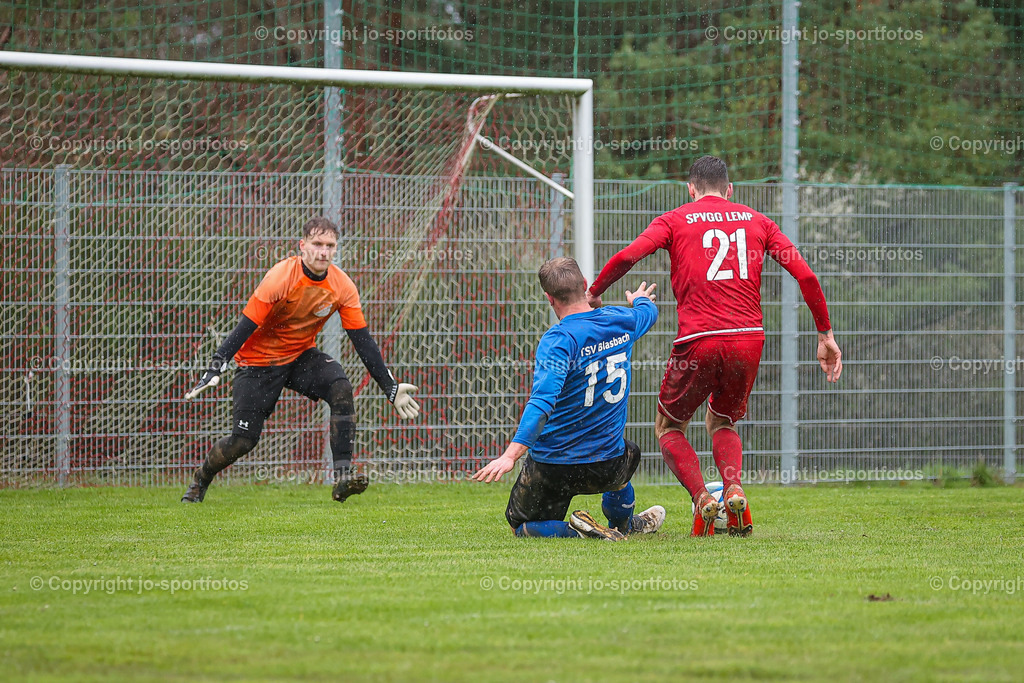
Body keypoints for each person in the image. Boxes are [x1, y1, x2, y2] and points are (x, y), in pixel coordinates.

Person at [586, 156, 843, 537]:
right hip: (748, 339)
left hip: (698, 341)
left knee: (669, 427)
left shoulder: (674, 219)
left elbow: (627, 256)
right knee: (722, 420)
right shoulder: (759, 221)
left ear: (691, 189)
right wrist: (825, 334)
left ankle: (703, 498)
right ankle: (734, 488)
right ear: (729, 189)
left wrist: (595, 292)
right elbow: (805, 273)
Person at [181, 217, 420, 504]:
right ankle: (201, 478)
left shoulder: (342, 285)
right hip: (258, 363)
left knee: (340, 387)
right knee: (243, 441)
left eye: (330, 245)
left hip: (299, 357)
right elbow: (244, 327)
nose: (323, 251)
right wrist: (217, 364)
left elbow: (363, 342)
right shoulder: (281, 277)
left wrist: (389, 387)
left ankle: (343, 478)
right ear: (302, 246)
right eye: (317, 244)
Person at [473, 257, 666, 541]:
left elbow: (541, 403)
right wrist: (640, 299)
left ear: (550, 298)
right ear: (586, 286)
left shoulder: (558, 340)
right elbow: (647, 313)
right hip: (607, 464)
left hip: (555, 466)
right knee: (629, 452)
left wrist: (510, 455)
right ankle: (623, 525)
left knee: (521, 527)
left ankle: (576, 531)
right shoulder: (620, 320)